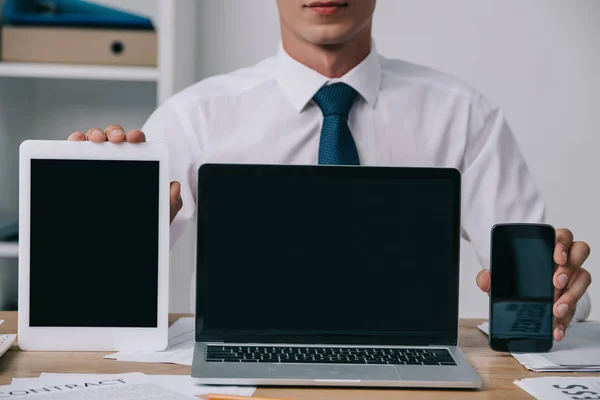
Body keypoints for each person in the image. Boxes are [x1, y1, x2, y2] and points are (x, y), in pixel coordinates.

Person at [68, 0, 591, 340]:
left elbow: (537, 297)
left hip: (413, 375)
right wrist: (100, 224)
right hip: (239, 375)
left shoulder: (463, 115)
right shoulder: (193, 117)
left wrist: (556, 291)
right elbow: (102, 300)